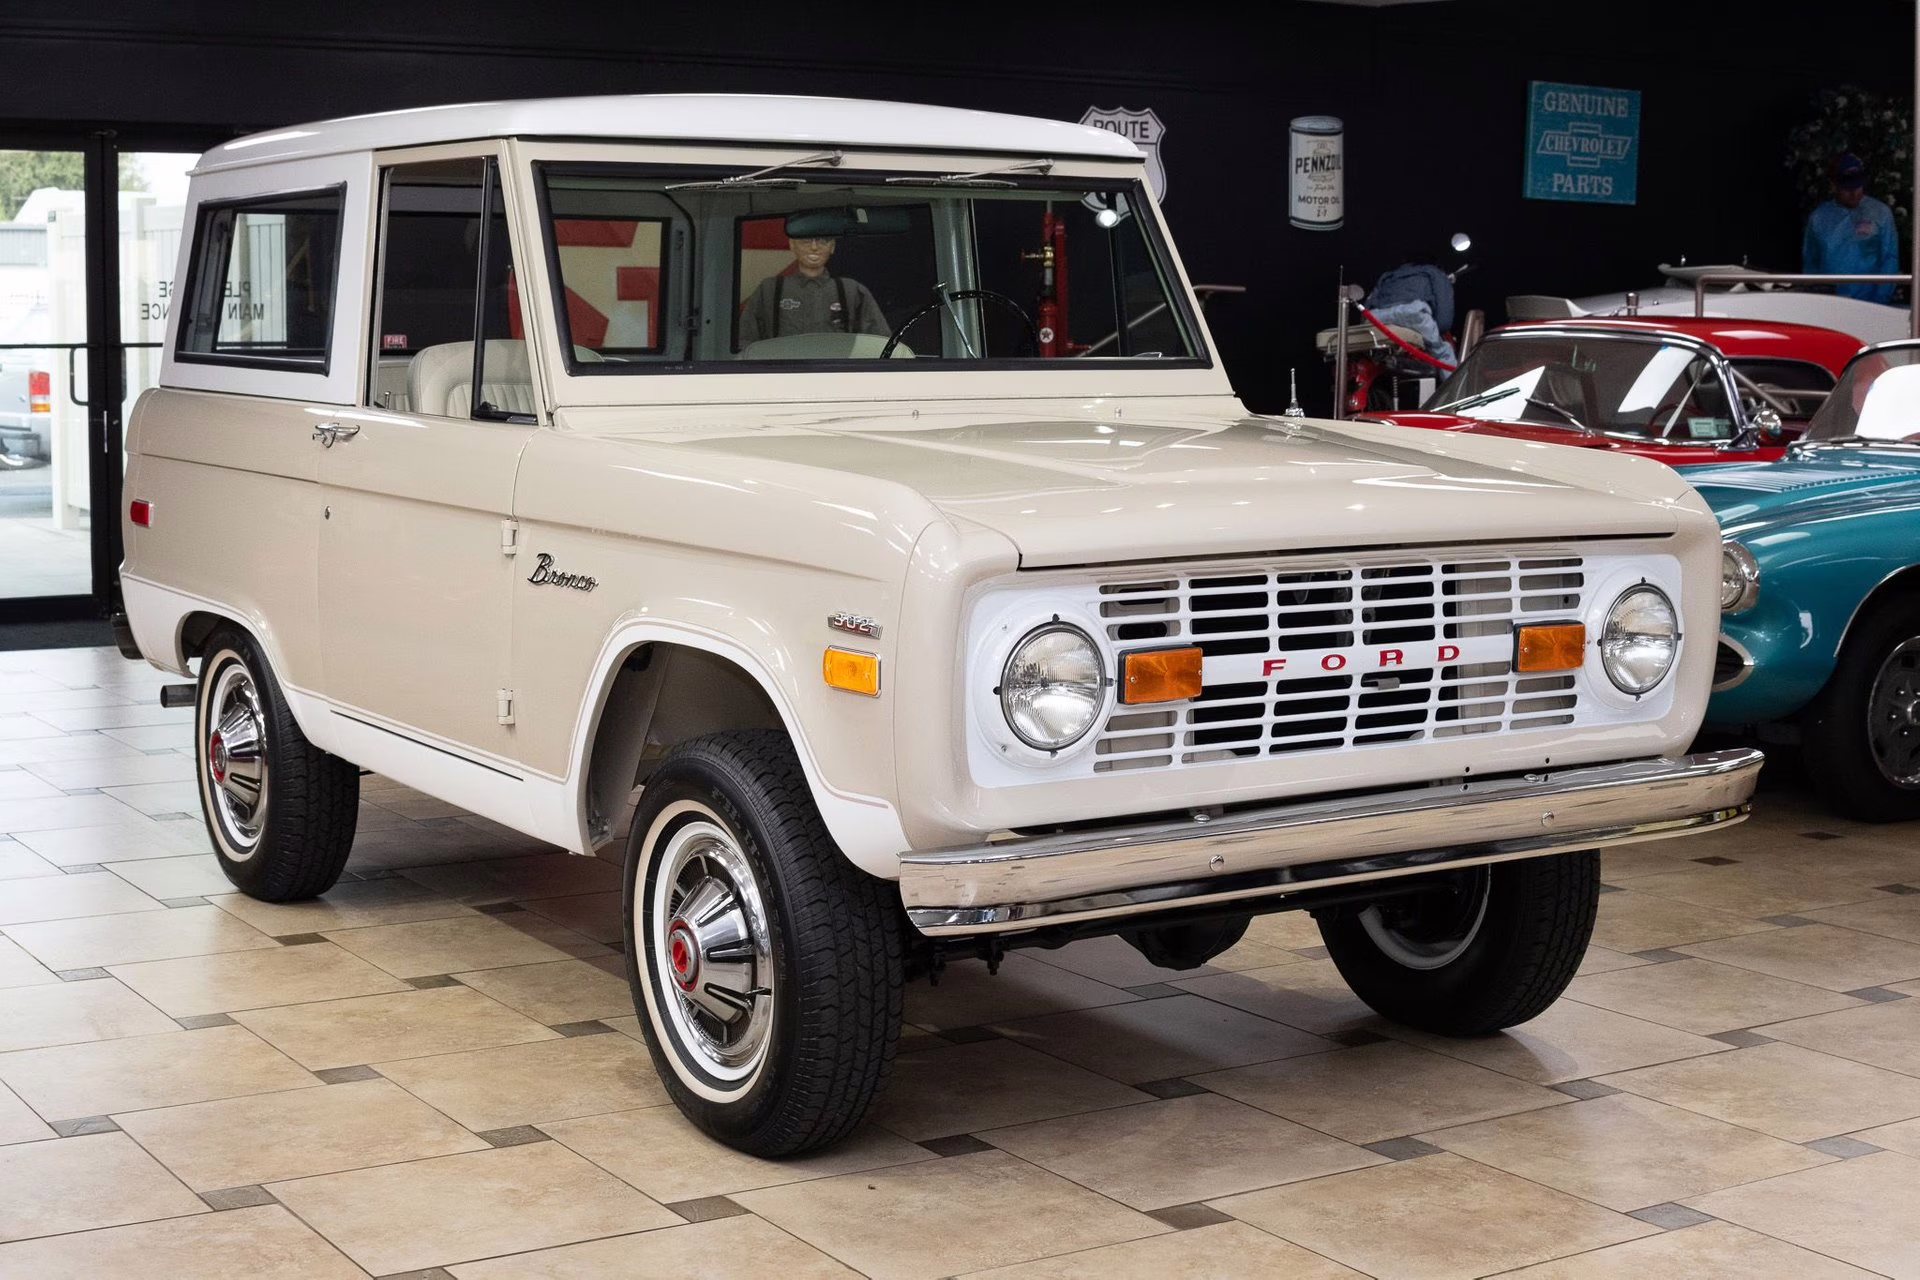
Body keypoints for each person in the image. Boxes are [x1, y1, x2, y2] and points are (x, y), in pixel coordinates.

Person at [738, 234, 889, 344]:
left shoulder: (852, 291)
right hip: (781, 377)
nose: (814, 247)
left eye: (823, 241)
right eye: (805, 240)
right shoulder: (770, 290)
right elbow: (744, 340)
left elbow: (881, 343)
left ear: (832, 246)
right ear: (792, 244)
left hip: (838, 377)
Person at [1803, 153, 1900, 304]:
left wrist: (1880, 300)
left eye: (1858, 185)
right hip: (1830, 303)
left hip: (1872, 302)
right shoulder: (1818, 218)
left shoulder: (1881, 213)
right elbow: (1810, 262)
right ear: (1833, 185)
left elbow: (1890, 259)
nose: (1854, 193)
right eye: (1847, 188)